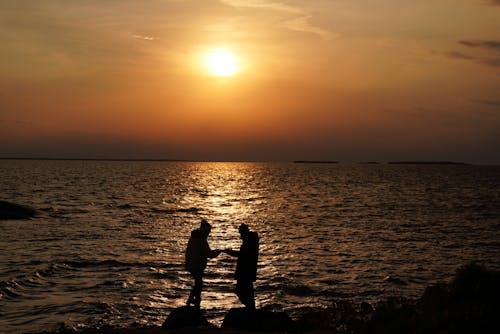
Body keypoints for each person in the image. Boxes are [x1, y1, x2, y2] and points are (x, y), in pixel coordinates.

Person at [185, 219, 221, 308]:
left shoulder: (194, 238)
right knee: (199, 283)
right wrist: (219, 251)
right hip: (197, 265)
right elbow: (209, 254)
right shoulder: (201, 240)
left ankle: (194, 300)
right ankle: (192, 300)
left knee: (198, 283)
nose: (208, 233)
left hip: (191, 263)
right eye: (208, 232)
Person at [224, 223, 259, 309]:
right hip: (247, 271)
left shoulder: (249, 242)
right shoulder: (251, 241)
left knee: (241, 290)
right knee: (246, 291)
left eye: (240, 233)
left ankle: (250, 308)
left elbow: (241, 255)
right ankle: (250, 308)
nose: (240, 236)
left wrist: (228, 252)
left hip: (245, 271)